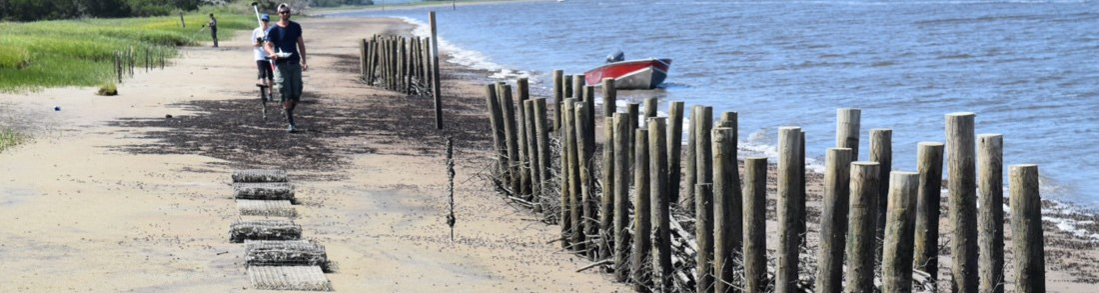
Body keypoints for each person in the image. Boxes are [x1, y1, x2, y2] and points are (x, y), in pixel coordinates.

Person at [264, 3, 308, 133]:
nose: (285, 14)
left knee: (296, 95)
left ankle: (287, 110)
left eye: (287, 12)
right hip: (281, 65)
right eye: (282, 12)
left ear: (290, 12)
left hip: (295, 63)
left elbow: (301, 44)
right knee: (285, 94)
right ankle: (291, 123)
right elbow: (267, 45)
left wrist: (304, 61)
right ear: (278, 14)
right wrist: (272, 53)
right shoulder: (274, 29)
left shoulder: (295, 27)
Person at [252, 14, 273, 91]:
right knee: (262, 72)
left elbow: (273, 43)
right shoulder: (256, 31)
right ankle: (263, 92)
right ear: (261, 21)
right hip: (259, 55)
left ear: (268, 21)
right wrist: (259, 43)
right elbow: (253, 44)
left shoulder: (271, 31)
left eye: (266, 20)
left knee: (270, 75)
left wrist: (268, 44)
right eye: (263, 20)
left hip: (269, 55)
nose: (264, 22)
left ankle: (270, 92)